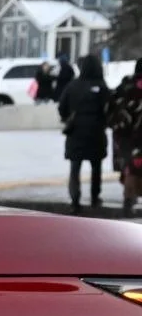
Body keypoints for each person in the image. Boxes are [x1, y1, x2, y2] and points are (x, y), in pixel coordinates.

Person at [58, 52, 109, 212]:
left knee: (75, 167)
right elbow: (109, 108)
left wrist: (69, 118)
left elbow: (62, 107)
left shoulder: (73, 86)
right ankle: (95, 198)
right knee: (96, 166)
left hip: (76, 131)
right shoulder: (102, 86)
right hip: (96, 131)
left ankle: (75, 200)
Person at [108, 70, 142, 216]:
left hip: (125, 139)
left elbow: (113, 113)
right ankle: (129, 202)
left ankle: (129, 203)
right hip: (135, 138)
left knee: (130, 170)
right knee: (134, 171)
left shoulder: (125, 88)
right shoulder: (134, 90)